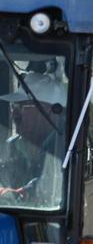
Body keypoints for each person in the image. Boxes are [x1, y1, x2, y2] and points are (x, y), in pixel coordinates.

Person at [0, 63, 67, 206]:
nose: (14, 115)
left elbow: (54, 189)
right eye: (13, 107)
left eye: (20, 106)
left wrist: (24, 192)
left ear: (48, 111)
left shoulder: (64, 149)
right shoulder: (11, 145)